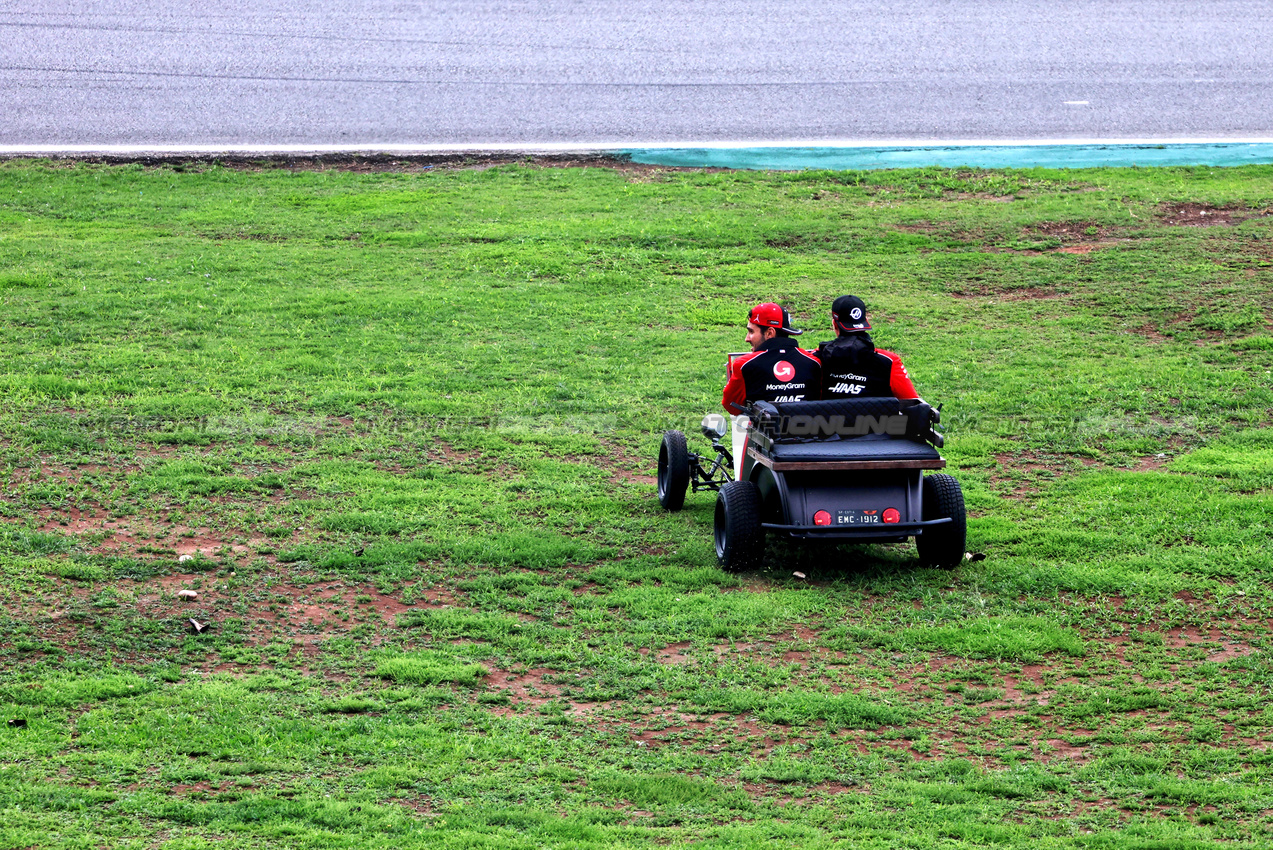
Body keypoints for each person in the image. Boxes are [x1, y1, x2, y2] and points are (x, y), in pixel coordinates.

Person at [721, 302, 821, 478]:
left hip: (766, 445)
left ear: (770, 333)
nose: (747, 338)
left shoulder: (745, 365)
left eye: (751, 331)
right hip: (810, 442)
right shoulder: (814, 362)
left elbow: (732, 407)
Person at [815, 295, 918, 400]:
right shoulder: (889, 361)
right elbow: (912, 403)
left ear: (834, 324)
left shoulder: (815, 359)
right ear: (866, 321)